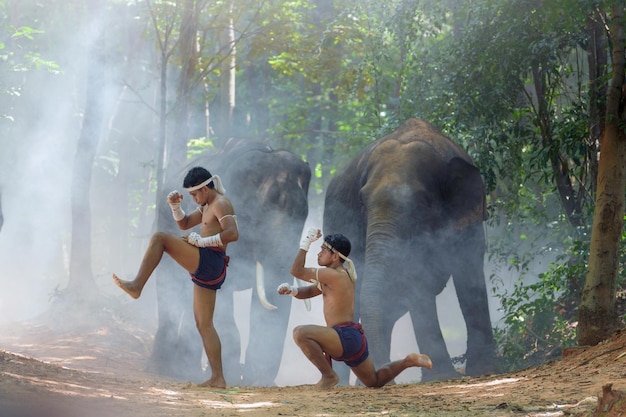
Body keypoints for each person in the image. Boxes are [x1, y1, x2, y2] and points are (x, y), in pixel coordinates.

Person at [112, 166, 238, 389]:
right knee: (204, 324)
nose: (194, 198)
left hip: (211, 260)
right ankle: (218, 378)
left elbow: (232, 234)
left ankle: (137, 286)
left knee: (160, 238)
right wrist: (175, 207)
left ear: (206, 188)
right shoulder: (207, 204)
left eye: (194, 194)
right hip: (207, 261)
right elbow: (184, 224)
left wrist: (201, 242)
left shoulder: (221, 203)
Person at [277, 229, 432, 389]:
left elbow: (296, 271)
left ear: (335, 256)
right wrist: (292, 290)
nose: (319, 253)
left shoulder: (333, 275)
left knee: (300, 333)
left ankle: (329, 376)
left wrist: (306, 243)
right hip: (352, 338)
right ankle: (408, 361)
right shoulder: (335, 275)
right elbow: (309, 291)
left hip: (343, 336)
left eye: (323, 250)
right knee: (374, 381)